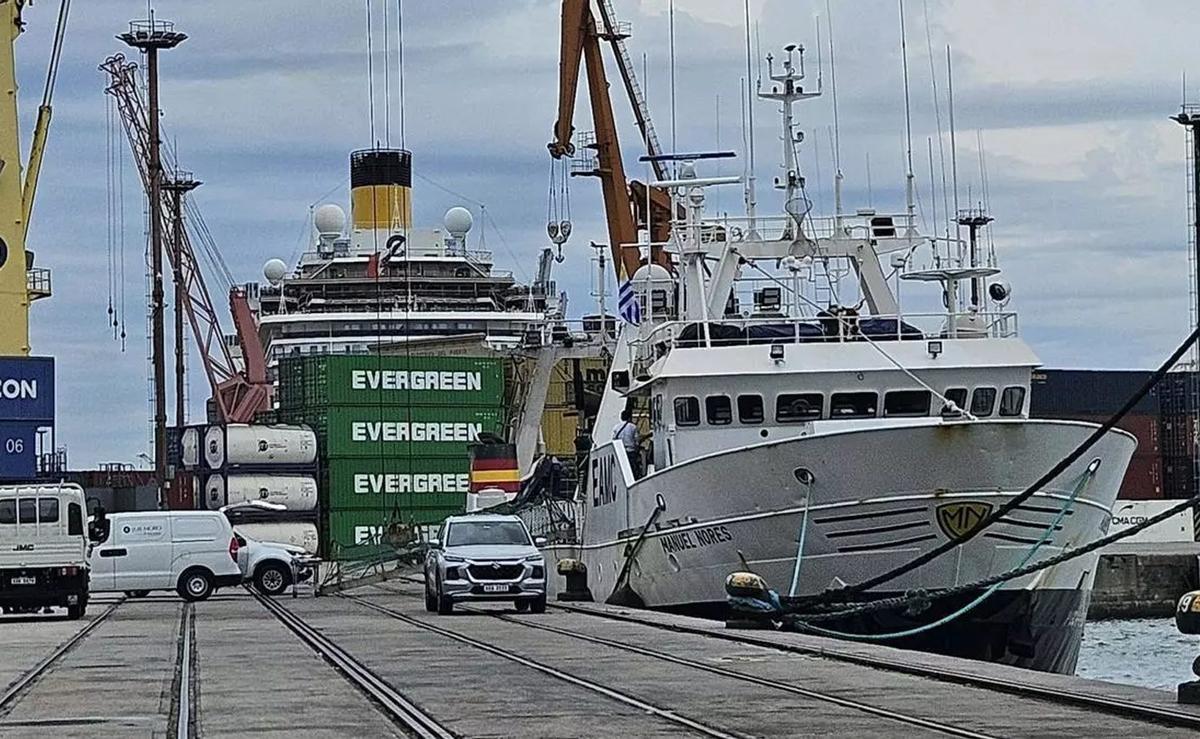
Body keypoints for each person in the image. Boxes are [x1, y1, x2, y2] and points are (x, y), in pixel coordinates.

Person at [612, 408, 642, 478]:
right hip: (631, 451)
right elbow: (637, 441)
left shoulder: (616, 427)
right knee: (632, 469)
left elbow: (613, 440)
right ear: (629, 417)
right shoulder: (633, 427)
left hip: (620, 451)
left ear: (621, 417)